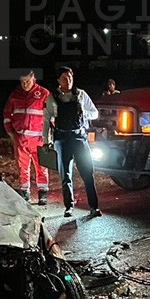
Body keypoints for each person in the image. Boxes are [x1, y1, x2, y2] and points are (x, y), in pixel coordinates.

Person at [44, 66, 101, 218]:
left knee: (88, 172)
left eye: (70, 77)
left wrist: (83, 112)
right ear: (58, 80)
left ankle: (94, 207)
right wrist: (46, 141)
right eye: (64, 78)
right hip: (62, 139)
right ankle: (69, 207)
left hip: (80, 138)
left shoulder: (81, 94)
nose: (67, 81)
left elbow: (94, 113)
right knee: (65, 176)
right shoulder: (52, 97)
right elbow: (46, 120)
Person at [3, 71, 51, 204]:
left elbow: (52, 115)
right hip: (20, 137)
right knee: (22, 166)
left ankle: (43, 193)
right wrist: (10, 131)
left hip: (39, 138)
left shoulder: (44, 93)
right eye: (22, 81)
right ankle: (25, 192)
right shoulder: (15, 95)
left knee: (41, 165)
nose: (25, 84)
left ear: (34, 79)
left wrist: (50, 134)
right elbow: (7, 114)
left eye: (27, 81)